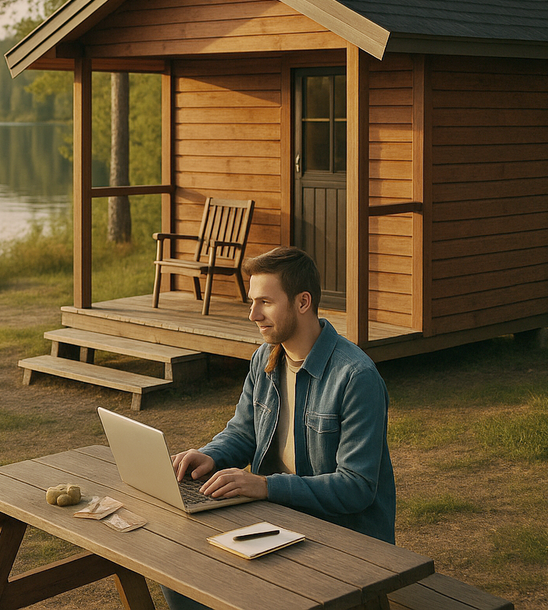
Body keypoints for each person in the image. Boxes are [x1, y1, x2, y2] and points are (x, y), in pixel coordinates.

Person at [162, 246, 396, 610]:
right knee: (179, 573)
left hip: (341, 538)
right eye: (252, 301)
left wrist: (266, 486)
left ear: (303, 302)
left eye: (265, 303)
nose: (252, 314)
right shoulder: (265, 357)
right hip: (275, 521)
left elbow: (357, 487)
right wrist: (208, 456)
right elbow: (243, 432)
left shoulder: (355, 377)